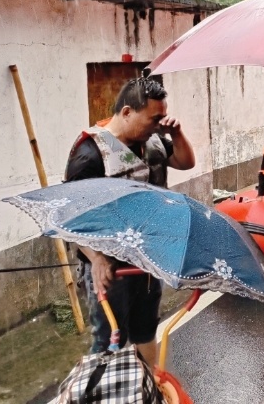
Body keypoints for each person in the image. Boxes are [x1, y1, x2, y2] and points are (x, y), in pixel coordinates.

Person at [64, 77, 196, 365]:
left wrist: (178, 133)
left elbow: (186, 162)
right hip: (110, 267)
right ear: (126, 112)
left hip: (148, 258)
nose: (158, 125)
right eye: (154, 119)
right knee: (110, 337)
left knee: (146, 329)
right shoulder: (89, 153)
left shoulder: (153, 141)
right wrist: (96, 258)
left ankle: (151, 386)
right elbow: (71, 215)